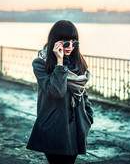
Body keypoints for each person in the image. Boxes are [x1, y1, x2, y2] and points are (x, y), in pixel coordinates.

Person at [27, 20, 93, 164]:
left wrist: (88, 116)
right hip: (55, 128)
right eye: (65, 42)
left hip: (77, 128)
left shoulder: (77, 63)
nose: (70, 46)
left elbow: (82, 92)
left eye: (74, 42)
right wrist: (59, 62)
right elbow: (56, 92)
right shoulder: (40, 64)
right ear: (56, 41)